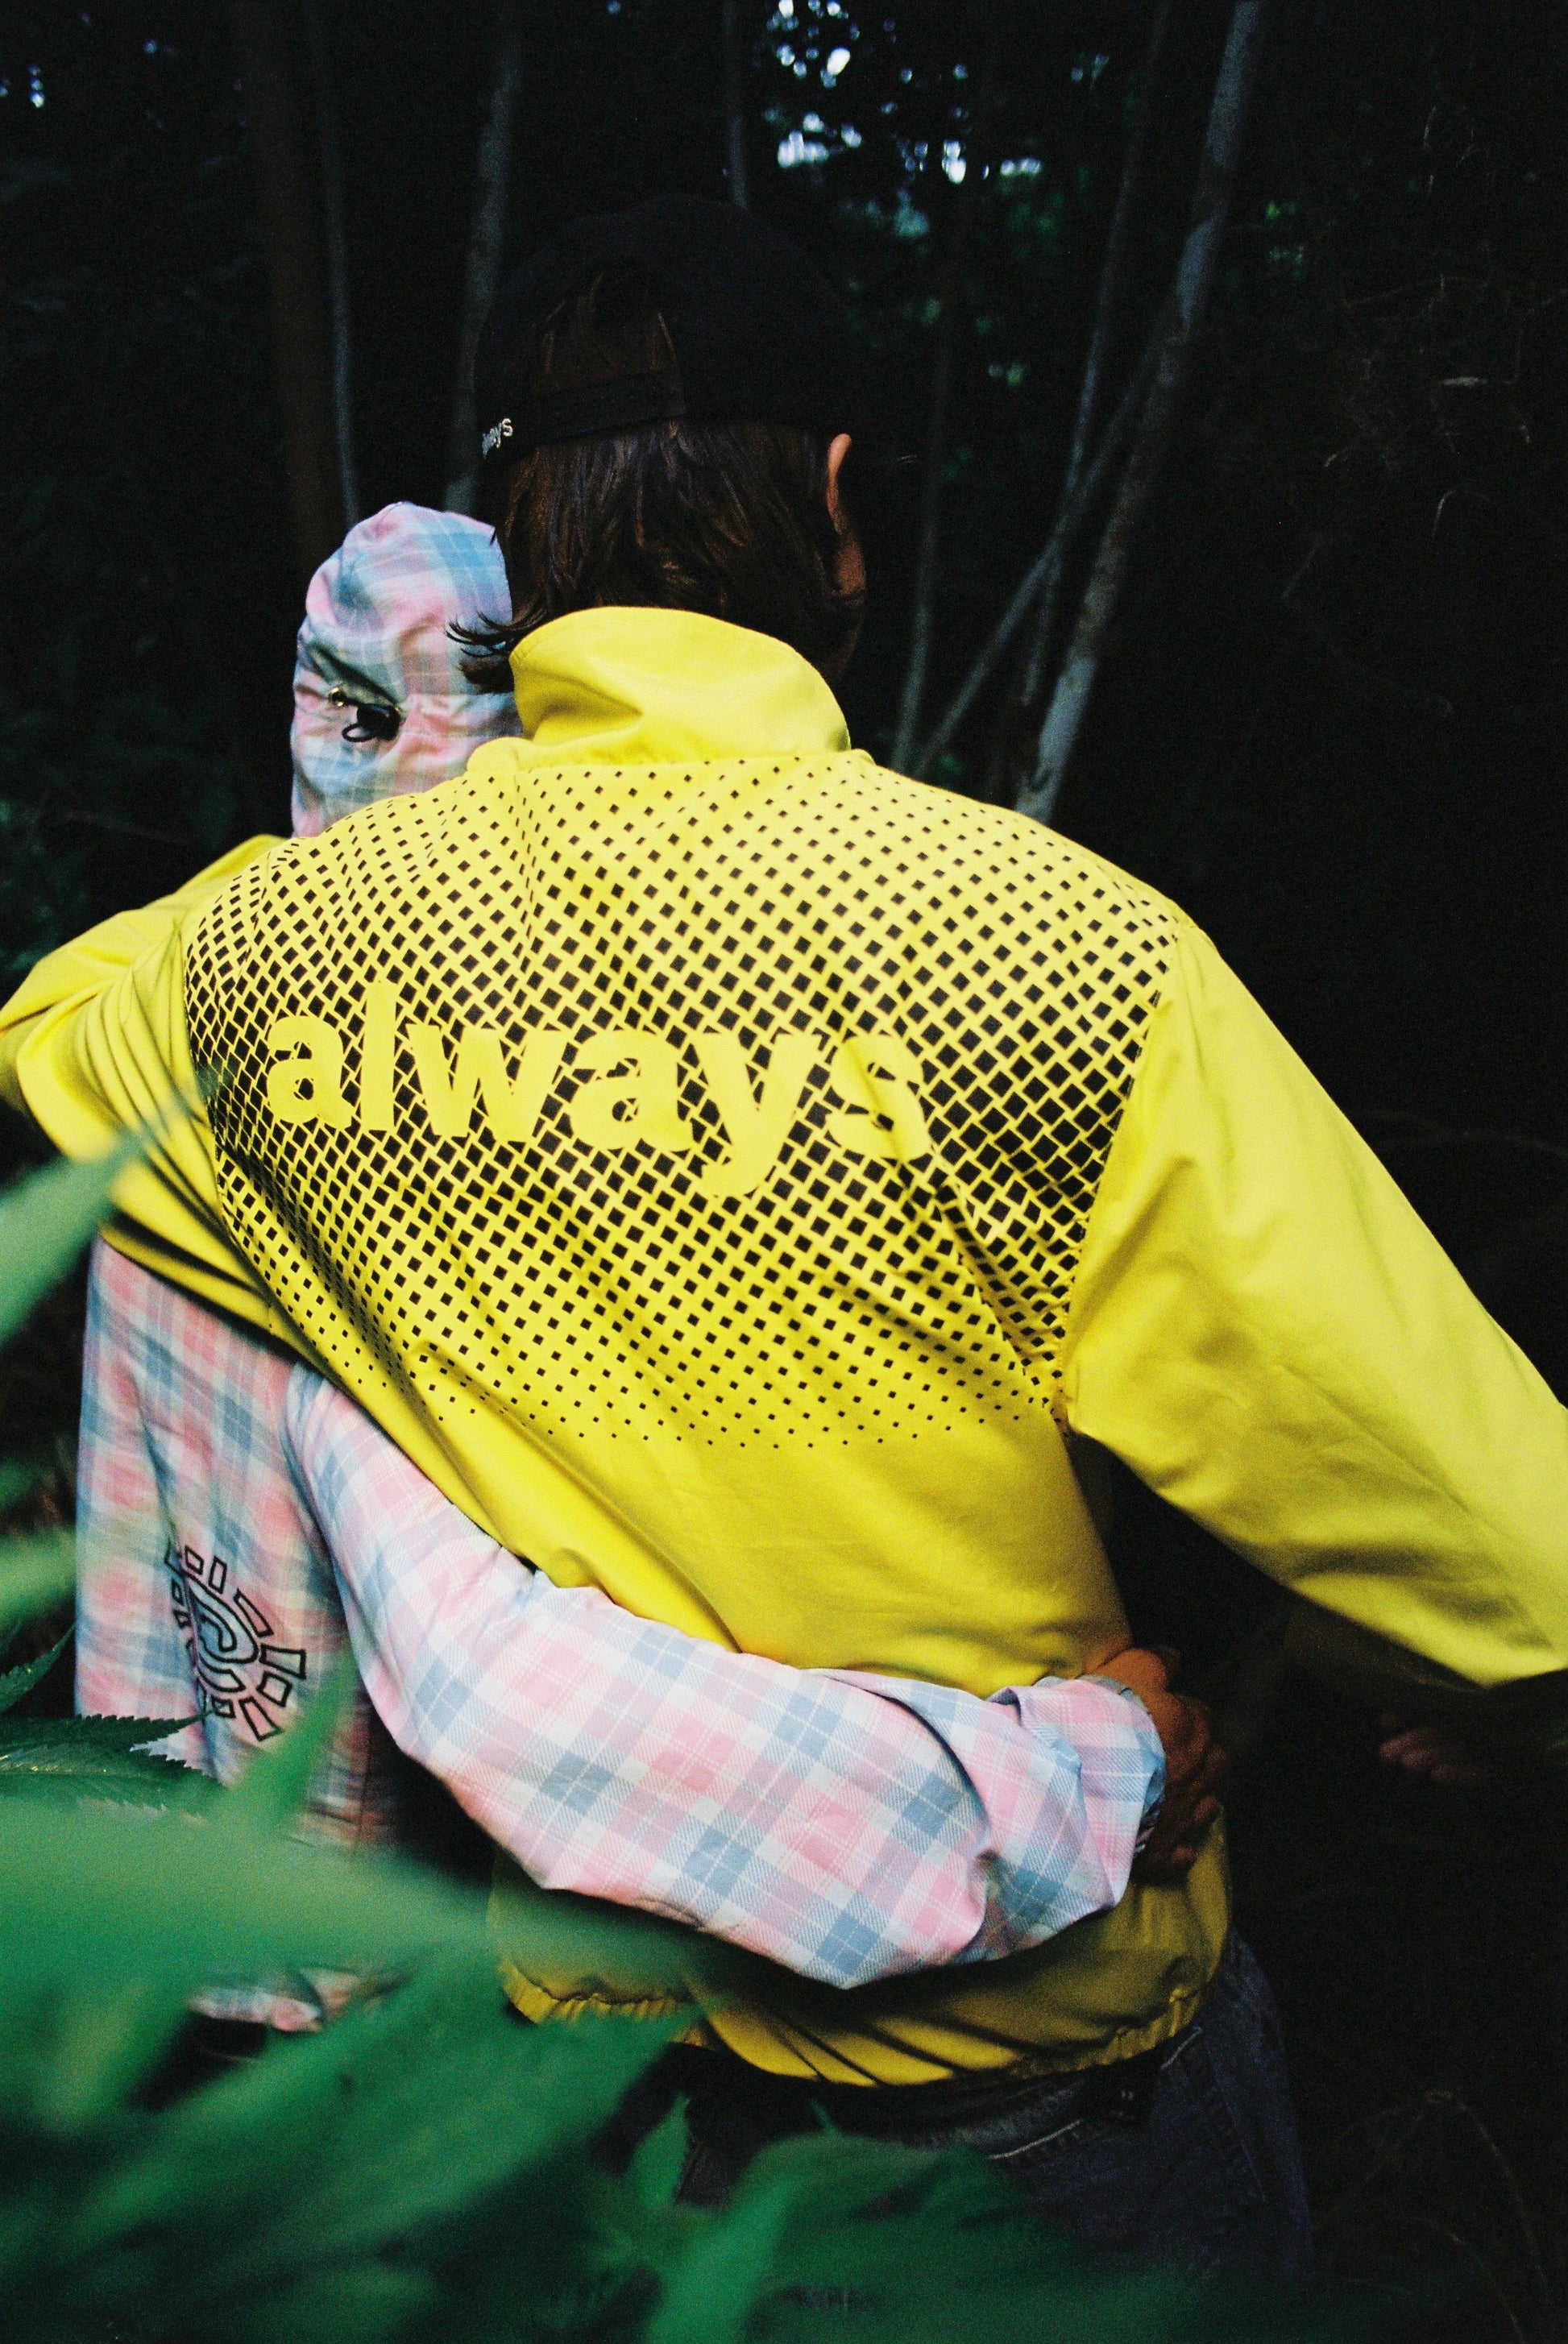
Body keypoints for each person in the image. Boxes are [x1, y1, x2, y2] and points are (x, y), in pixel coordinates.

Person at [6, 191, 1565, 2276]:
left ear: (521, 540)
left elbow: (48, 1030)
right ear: (837, 499)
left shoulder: (247, 972)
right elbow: (1519, 1572)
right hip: (1034, 2118)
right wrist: (1489, 1693)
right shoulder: (1061, 962)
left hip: (593, 2118)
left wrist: (354, 908)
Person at [75, 498, 1193, 2031]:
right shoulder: (371, 1157)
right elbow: (512, 1697)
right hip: (381, 2017)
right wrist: (1076, 1778)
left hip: (153, 1935)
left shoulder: (175, 1019)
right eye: (384, 717)